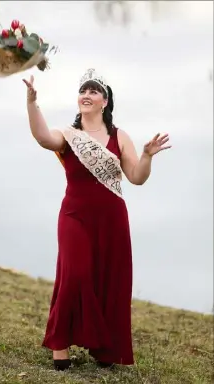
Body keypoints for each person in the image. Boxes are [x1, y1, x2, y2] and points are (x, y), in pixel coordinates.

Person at [23, 68, 171, 371]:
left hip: (112, 218)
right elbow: (42, 137)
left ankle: (103, 348)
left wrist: (147, 156)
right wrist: (32, 102)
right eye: (83, 91)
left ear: (105, 101)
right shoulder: (68, 135)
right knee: (75, 274)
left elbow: (136, 178)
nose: (86, 95)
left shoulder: (119, 136)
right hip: (74, 215)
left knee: (109, 280)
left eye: (93, 91)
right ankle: (60, 343)